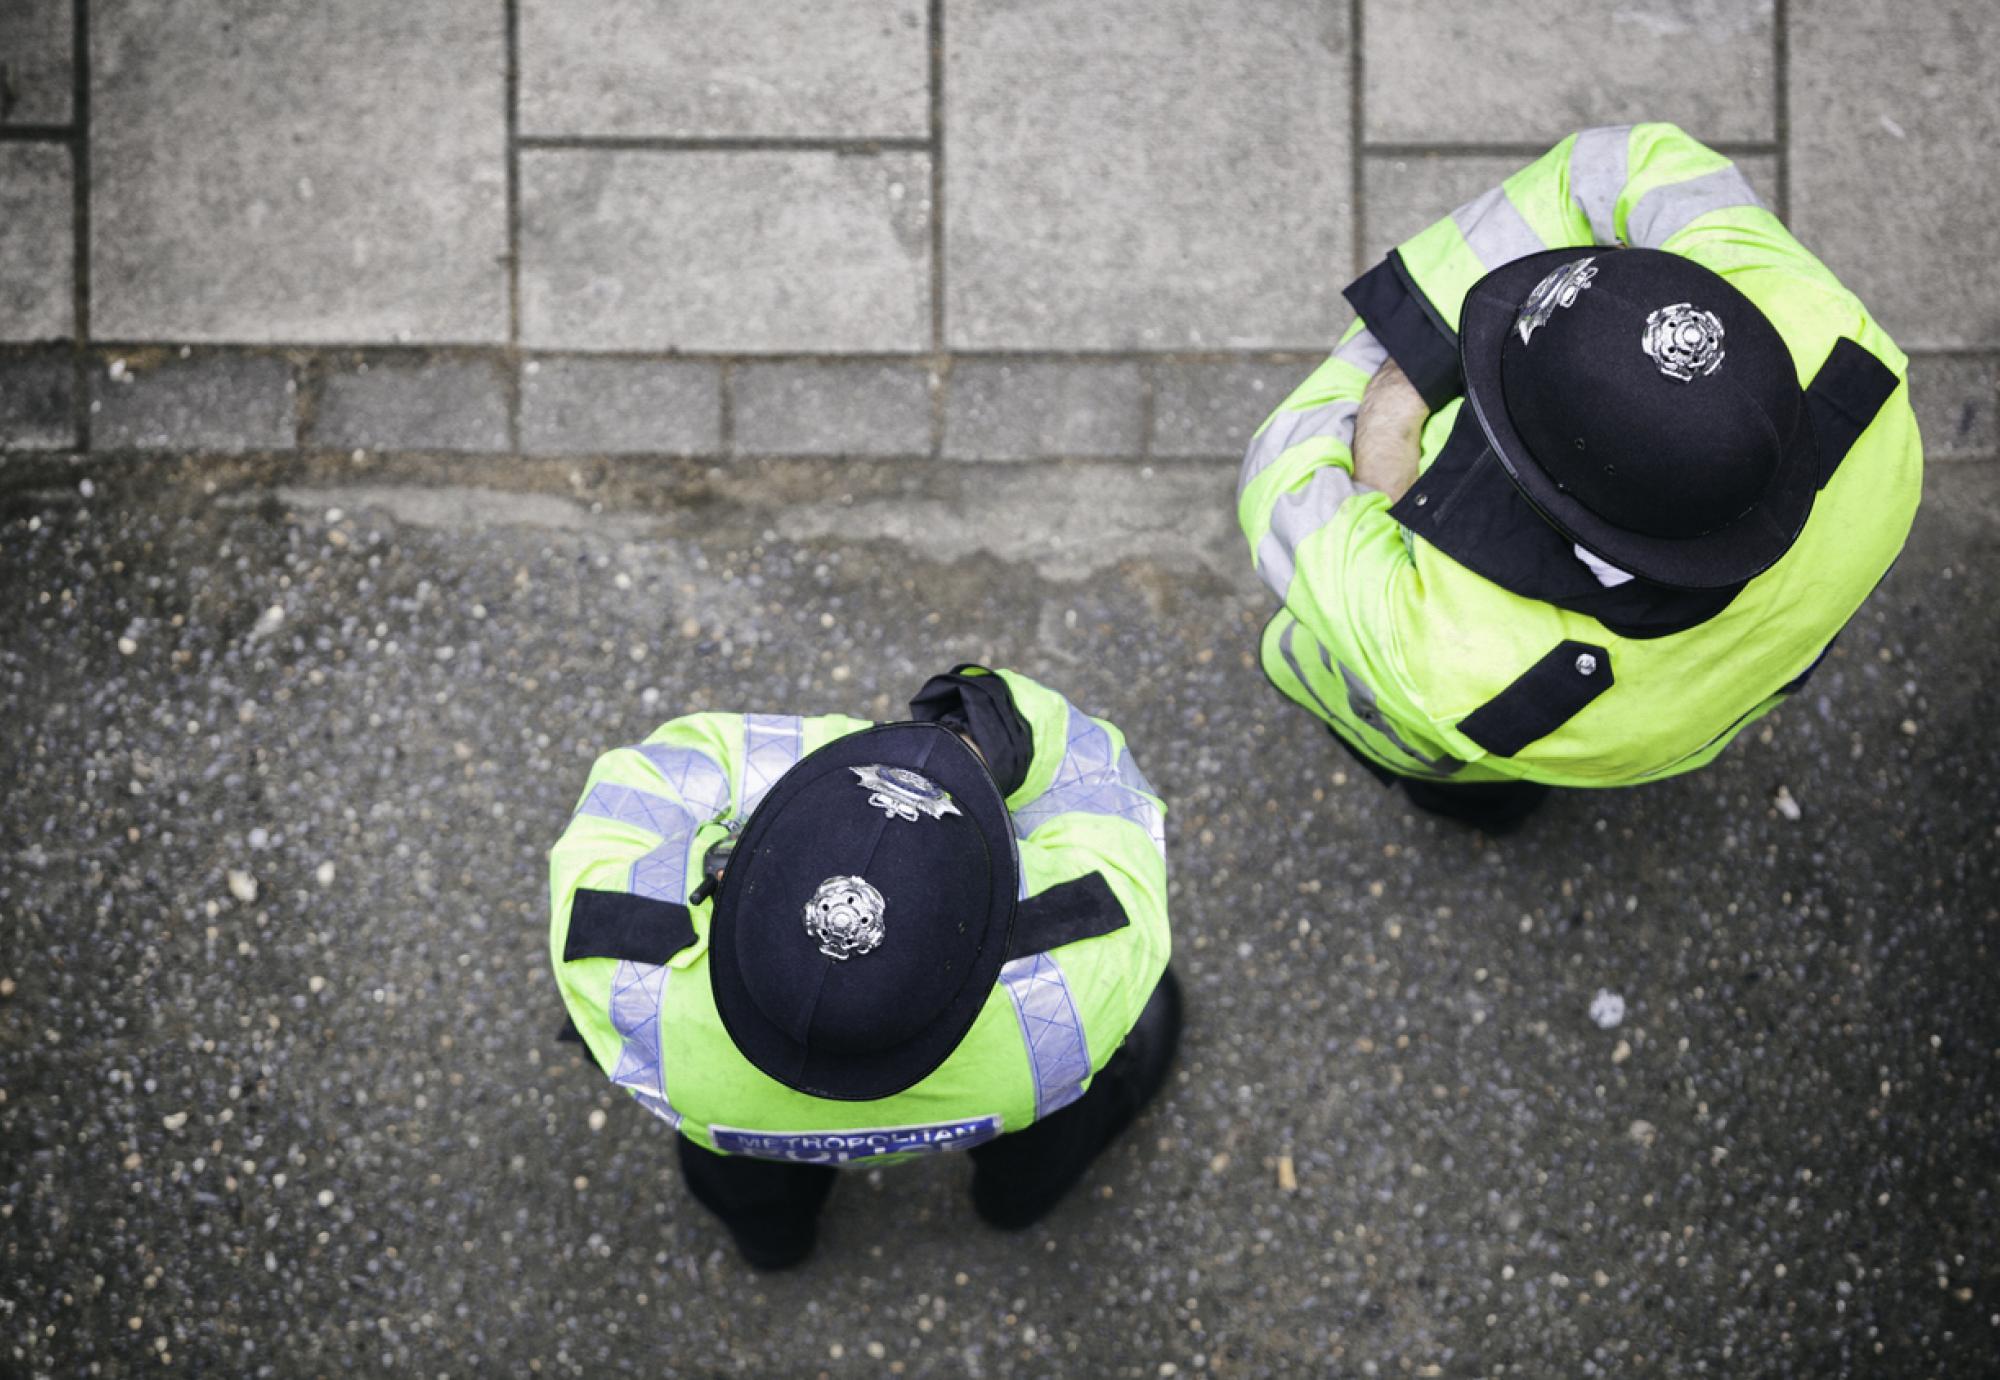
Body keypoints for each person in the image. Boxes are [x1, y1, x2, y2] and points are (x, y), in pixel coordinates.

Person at [1236, 123, 1922, 832]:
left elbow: (1282, 472)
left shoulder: (1461, 664)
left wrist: (1399, 390)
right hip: (1723, 692)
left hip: (1426, 721)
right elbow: (1631, 163)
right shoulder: (1841, 348)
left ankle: (1484, 809)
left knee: (1459, 774)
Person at [548, 665, 1179, 1268]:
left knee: (740, 1178)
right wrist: (973, 731)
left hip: (726, 1105)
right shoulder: (1071, 987)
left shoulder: (625, 967)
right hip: (1008, 1087)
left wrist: (833, 776)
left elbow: (655, 781)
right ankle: (1016, 1204)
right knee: (1056, 1127)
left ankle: (773, 1241)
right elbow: (1094, 783)